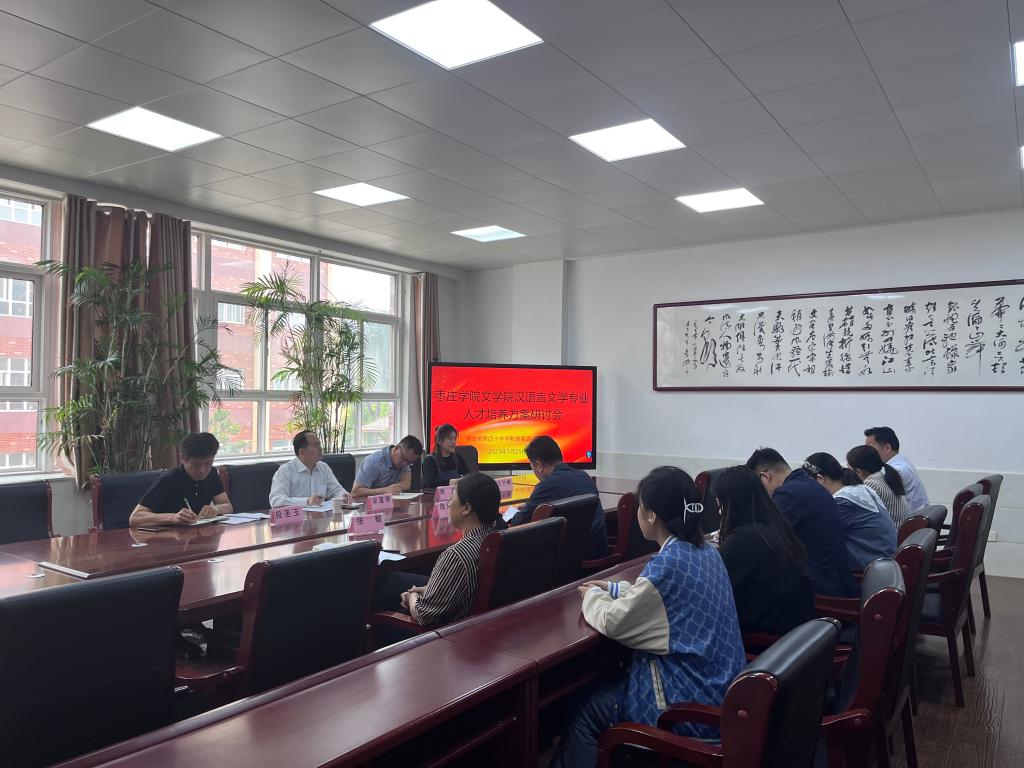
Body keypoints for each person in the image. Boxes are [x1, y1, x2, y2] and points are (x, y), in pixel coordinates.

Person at [550, 466, 746, 768]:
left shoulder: (669, 564)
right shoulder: (705, 551)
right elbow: (663, 599)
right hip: (719, 695)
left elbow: (614, 621)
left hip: (684, 710)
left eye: (640, 507)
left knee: (586, 704)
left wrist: (591, 596)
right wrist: (614, 588)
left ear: (651, 515)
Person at [374, 473, 507, 627]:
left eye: (452, 499)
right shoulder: (498, 538)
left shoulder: (456, 556)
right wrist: (427, 589)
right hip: (489, 622)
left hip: (449, 633)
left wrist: (412, 596)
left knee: (383, 587)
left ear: (466, 508)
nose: (448, 503)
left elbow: (424, 615)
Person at [714, 465, 815, 635]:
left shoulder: (743, 539)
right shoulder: (776, 527)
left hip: (766, 639)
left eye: (720, 504)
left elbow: (713, 589)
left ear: (732, 504)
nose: (719, 511)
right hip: (796, 632)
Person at [745, 448, 856, 597]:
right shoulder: (812, 485)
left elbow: (766, 540)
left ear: (765, 477)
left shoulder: (787, 494)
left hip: (821, 591)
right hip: (839, 581)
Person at [507, 435, 607, 560]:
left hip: (573, 561)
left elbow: (518, 523)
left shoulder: (547, 485)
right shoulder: (584, 476)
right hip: (598, 553)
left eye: (533, 468)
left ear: (539, 466)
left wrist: (521, 511)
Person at [805, 452, 897, 570]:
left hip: (871, 567)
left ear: (819, 479)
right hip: (884, 560)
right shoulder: (860, 489)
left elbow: (815, 534)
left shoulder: (843, 501)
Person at [129, 432, 233, 527]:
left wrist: (215, 509)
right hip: (168, 537)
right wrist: (172, 518)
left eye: (208, 463)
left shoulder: (212, 474)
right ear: (183, 458)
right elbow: (135, 518)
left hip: (197, 535)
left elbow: (228, 506)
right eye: (196, 464)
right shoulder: (169, 479)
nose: (202, 470)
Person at [269, 430, 351, 508]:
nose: (320, 449)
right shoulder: (286, 471)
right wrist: (307, 501)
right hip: (297, 517)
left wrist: (343, 495)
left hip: (321, 516)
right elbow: (276, 500)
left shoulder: (323, 468)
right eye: (316, 445)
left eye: (319, 445)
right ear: (302, 452)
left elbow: (336, 490)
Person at [863, 426, 928, 512]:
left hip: (911, 519)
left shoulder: (896, 470)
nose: (866, 452)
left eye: (870, 448)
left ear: (887, 448)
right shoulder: (901, 461)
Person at [846, 444, 913, 527]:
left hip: (894, 532)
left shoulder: (870, 484)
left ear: (859, 471)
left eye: (849, 469)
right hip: (903, 529)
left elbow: (858, 516)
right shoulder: (883, 473)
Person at [351, 435, 423, 498]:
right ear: (396, 448)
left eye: (409, 462)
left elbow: (406, 484)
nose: (404, 464)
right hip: (368, 505)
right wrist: (385, 490)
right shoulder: (374, 461)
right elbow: (355, 492)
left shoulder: (405, 461)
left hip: (391, 504)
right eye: (404, 458)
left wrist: (392, 489)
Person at [421, 423, 469, 491]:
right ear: (439, 441)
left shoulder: (457, 457)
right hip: (435, 495)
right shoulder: (430, 460)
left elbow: (468, 475)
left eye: (455, 439)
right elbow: (430, 482)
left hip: (456, 494)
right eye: (450, 439)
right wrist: (451, 482)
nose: (454, 442)